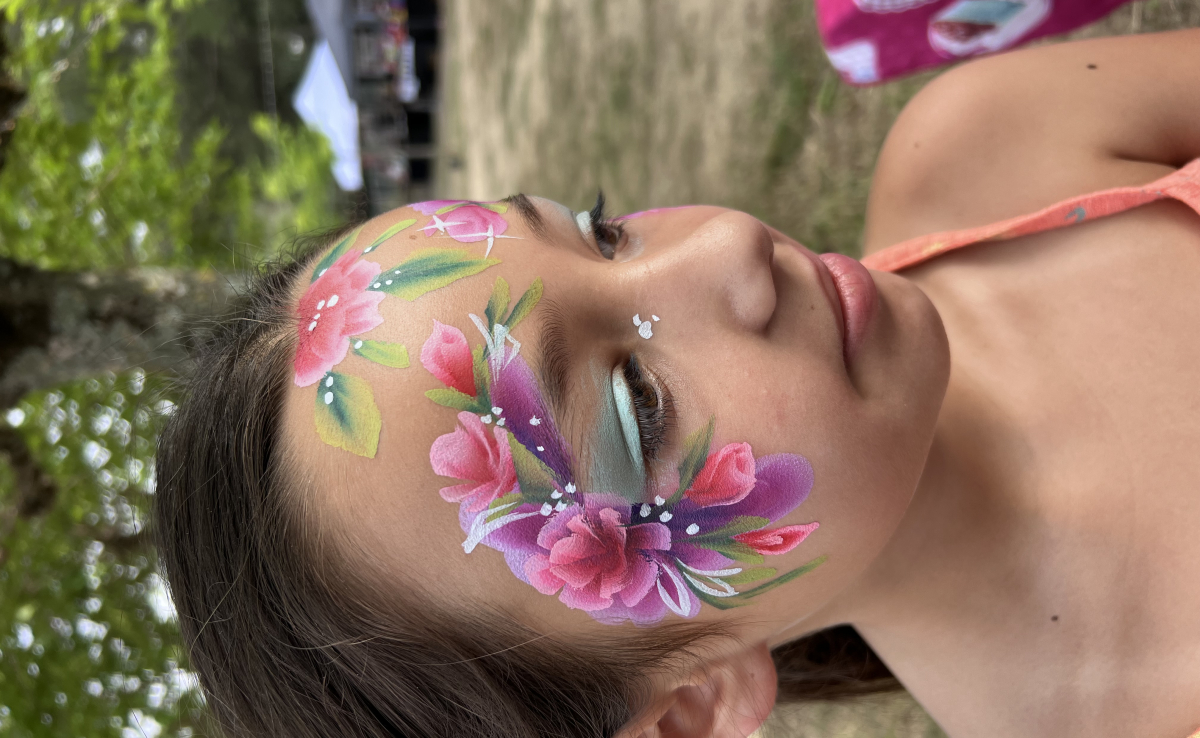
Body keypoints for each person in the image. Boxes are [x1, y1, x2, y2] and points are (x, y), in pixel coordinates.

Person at [153, 29, 1200, 738]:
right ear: (691, 707)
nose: (727, 246)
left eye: (602, 232)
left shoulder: (990, 149)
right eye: (637, 408)